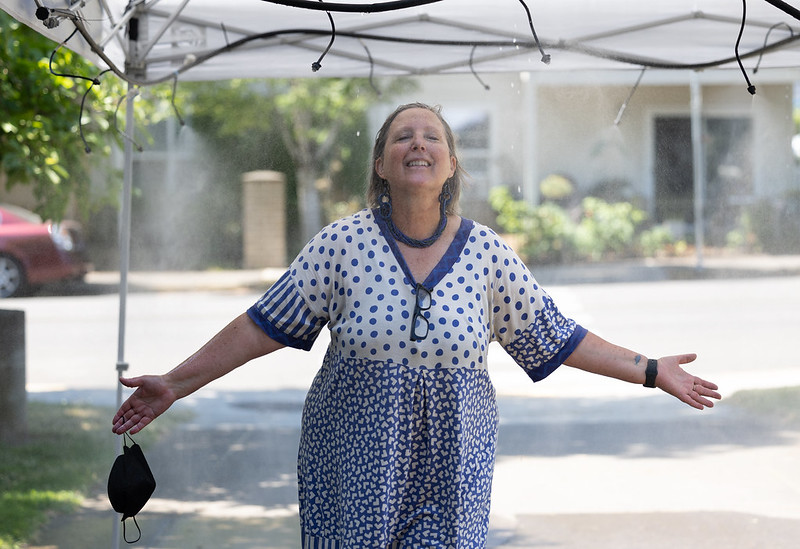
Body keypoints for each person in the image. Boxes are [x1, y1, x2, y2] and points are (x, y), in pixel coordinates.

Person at [112, 102, 721, 548]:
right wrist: (176, 382)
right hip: (351, 465)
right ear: (381, 162)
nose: (418, 144)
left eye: (432, 136)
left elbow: (553, 336)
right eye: (403, 136)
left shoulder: (487, 253)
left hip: (453, 466)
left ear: (451, 162)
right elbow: (261, 326)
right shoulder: (342, 244)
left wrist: (649, 370)